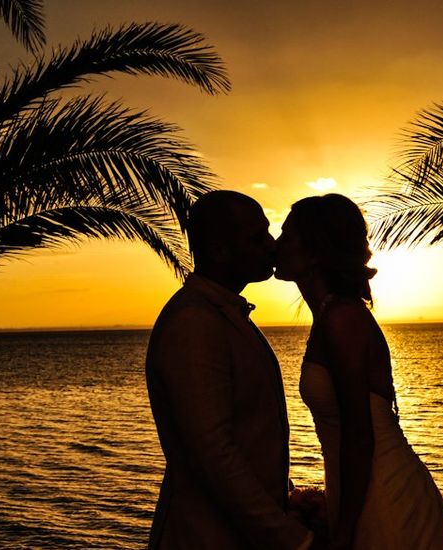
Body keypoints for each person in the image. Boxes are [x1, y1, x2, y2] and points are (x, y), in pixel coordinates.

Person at [275, 193, 443, 550]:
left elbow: (359, 435)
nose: (276, 244)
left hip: (383, 495)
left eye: (286, 235)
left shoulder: (343, 319)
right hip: (360, 489)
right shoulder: (331, 316)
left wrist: (345, 532)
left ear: (314, 251)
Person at [145, 190, 315, 550]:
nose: (271, 246)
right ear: (221, 250)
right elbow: (212, 451)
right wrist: (293, 540)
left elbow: (248, 437)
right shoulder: (195, 322)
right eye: (257, 237)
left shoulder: (223, 315)